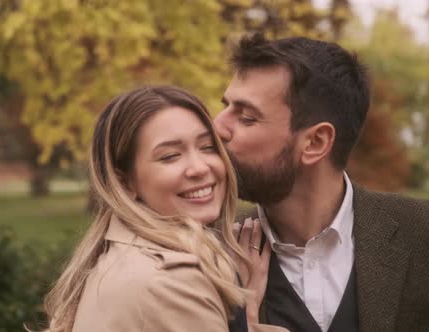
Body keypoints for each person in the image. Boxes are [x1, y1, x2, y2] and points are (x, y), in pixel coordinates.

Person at [214, 33, 429, 332]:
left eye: (246, 117)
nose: (216, 126)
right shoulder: (205, 249)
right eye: (225, 107)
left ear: (315, 142)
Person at [43, 86, 286, 332]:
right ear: (125, 182)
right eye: (170, 156)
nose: (199, 168)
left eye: (207, 147)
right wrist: (243, 314)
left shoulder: (121, 256)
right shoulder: (171, 283)